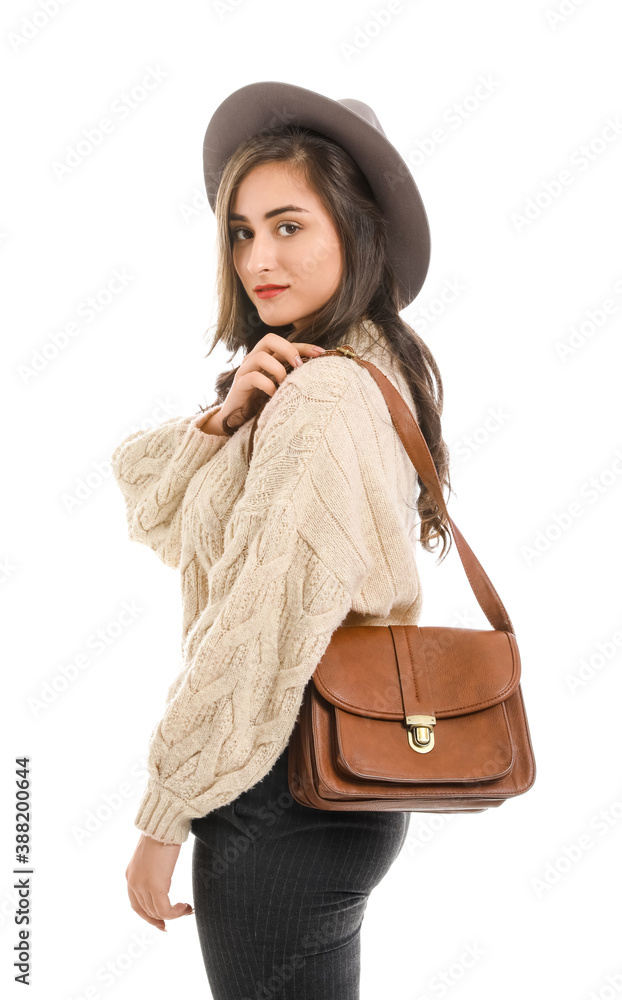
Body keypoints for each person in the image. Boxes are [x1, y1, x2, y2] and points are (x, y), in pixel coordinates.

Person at [110, 81, 452, 999]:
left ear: (357, 228)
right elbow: (148, 507)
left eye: (290, 225)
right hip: (335, 780)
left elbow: (257, 625)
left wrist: (163, 815)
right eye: (241, 230)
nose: (259, 256)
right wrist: (223, 419)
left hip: (280, 787)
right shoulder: (350, 371)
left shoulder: (325, 397)